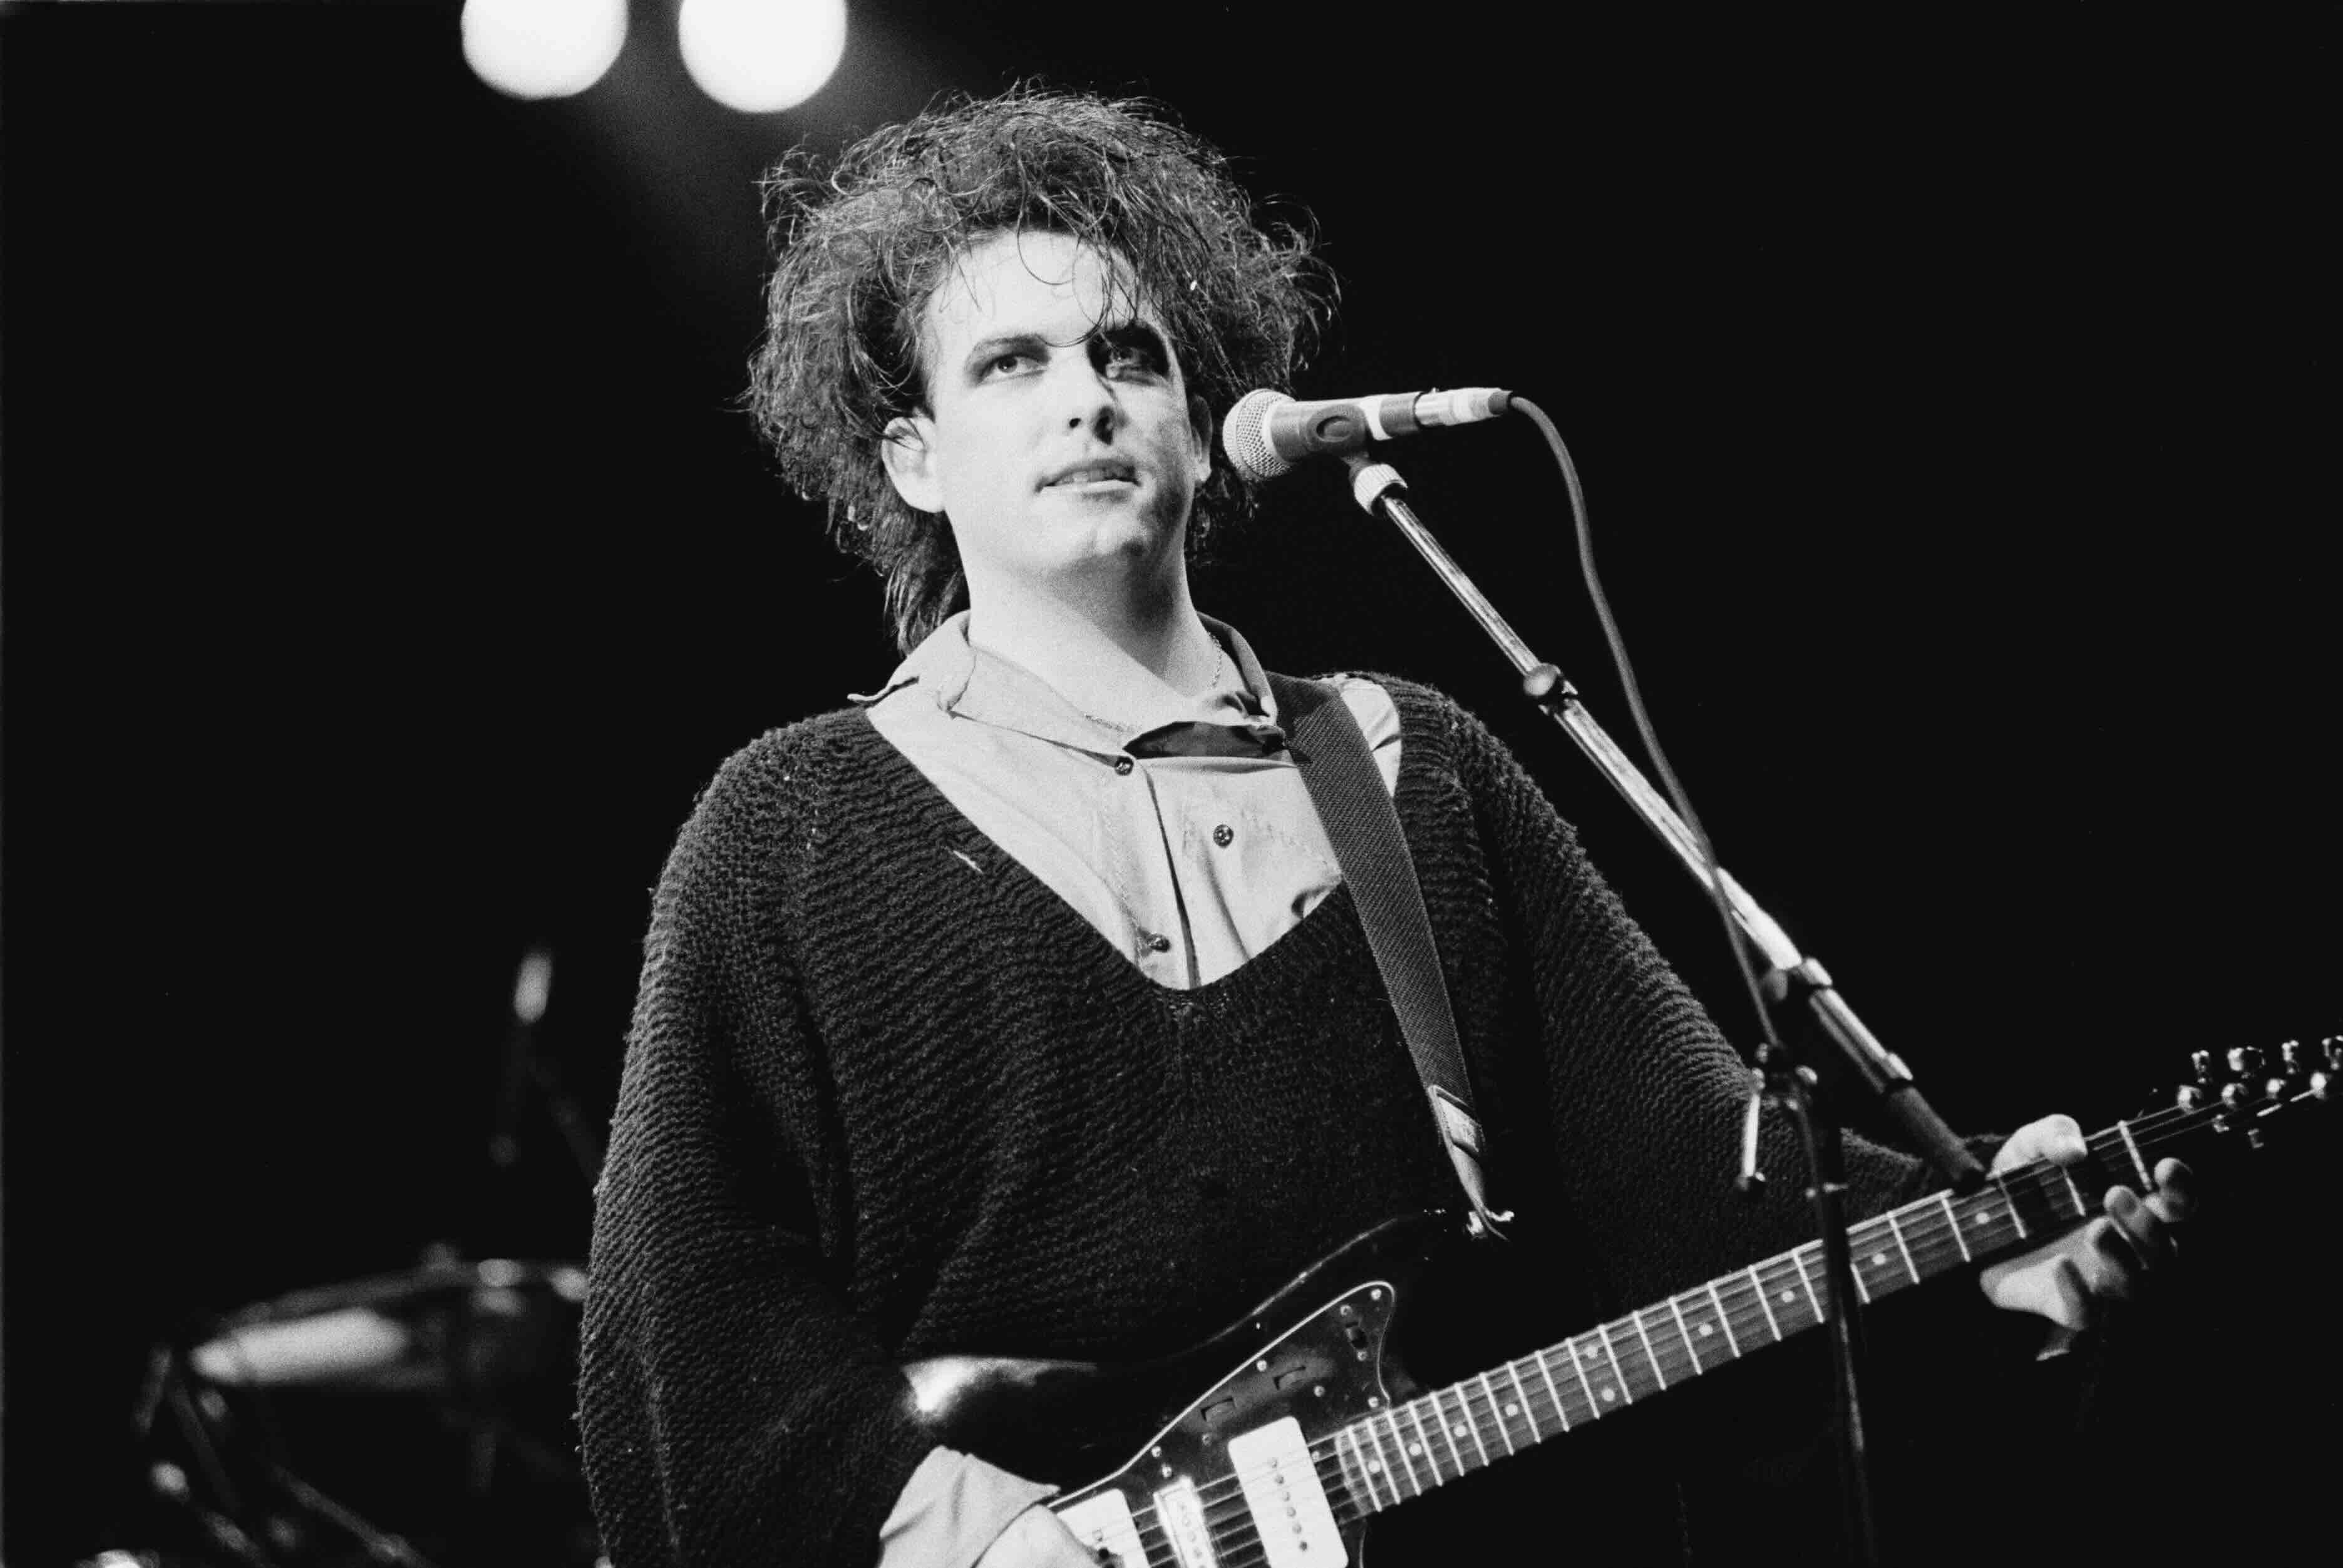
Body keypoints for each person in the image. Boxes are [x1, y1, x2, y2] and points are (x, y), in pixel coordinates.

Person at [577, 88, 2190, 1567]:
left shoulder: (1414, 765)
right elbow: (689, 1320)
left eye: (1128, 356)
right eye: (1013, 364)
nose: (1087, 397)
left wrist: (1969, 1250)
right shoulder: (791, 826)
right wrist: (965, 1529)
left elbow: (1698, 1179)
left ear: (1202, 430)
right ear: (911, 459)